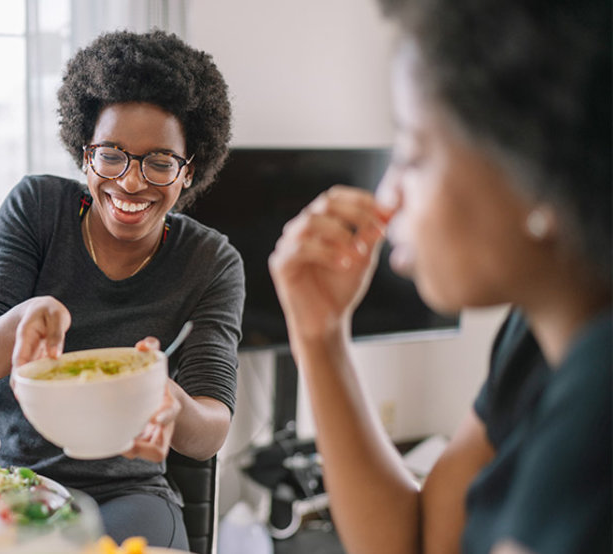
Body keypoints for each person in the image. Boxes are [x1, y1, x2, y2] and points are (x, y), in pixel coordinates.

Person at [267, 0, 611, 553]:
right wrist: (319, 333)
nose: (387, 196)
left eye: (413, 154)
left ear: (540, 170)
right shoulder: (533, 335)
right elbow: (419, 542)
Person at [0, 30, 244, 549]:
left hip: (129, 491)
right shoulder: (37, 209)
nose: (130, 182)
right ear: (85, 154)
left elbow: (210, 432)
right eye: (111, 155)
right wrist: (19, 322)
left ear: (188, 171)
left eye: (160, 162)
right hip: (15, 481)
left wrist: (166, 397)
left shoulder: (210, 261)